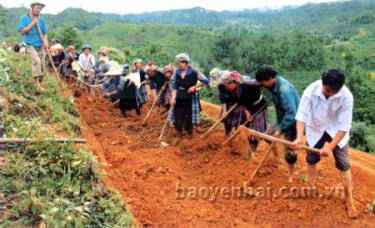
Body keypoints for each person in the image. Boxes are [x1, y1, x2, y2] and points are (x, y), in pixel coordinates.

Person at [293, 69, 357, 218]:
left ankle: (349, 200)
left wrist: (331, 146)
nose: (329, 93)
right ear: (323, 83)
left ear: (339, 88)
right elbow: (302, 114)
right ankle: (311, 187)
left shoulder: (347, 97)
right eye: (326, 89)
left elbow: (345, 126)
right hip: (315, 128)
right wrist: (298, 137)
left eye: (333, 92)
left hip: (336, 131)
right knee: (311, 159)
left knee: (343, 164)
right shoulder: (311, 90)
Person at [255, 65, 300, 181]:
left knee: (290, 149)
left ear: (270, 78)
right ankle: (277, 158)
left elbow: (292, 114)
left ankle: (291, 175)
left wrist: (280, 130)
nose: (263, 85)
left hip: (293, 121)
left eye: (263, 82)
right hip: (282, 117)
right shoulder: (274, 85)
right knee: (268, 134)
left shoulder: (284, 90)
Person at [218, 70, 268, 152]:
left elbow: (261, 85)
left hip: (258, 107)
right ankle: (245, 150)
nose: (226, 88)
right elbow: (240, 102)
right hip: (248, 107)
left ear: (232, 83)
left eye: (226, 85)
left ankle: (252, 153)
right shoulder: (234, 90)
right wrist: (246, 111)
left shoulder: (248, 84)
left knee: (254, 133)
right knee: (244, 130)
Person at [170, 53, 208, 138]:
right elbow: (174, 86)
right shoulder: (177, 72)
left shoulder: (194, 72)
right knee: (177, 117)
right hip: (179, 95)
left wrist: (195, 87)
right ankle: (180, 135)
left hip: (189, 97)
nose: (178, 65)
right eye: (178, 63)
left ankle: (189, 135)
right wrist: (173, 97)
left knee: (187, 117)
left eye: (180, 63)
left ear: (185, 62)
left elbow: (205, 80)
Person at [18, 0, 48, 93]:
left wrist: (46, 41)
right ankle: (37, 85)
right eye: (37, 8)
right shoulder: (24, 18)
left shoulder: (41, 20)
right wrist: (32, 24)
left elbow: (44, 33)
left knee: (43, 66)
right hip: (30, 45)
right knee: (37, 62)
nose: (39, 10)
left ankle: (39, 83)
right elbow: (22, 32)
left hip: (41, 45)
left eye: (41, 8)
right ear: (32, 7)